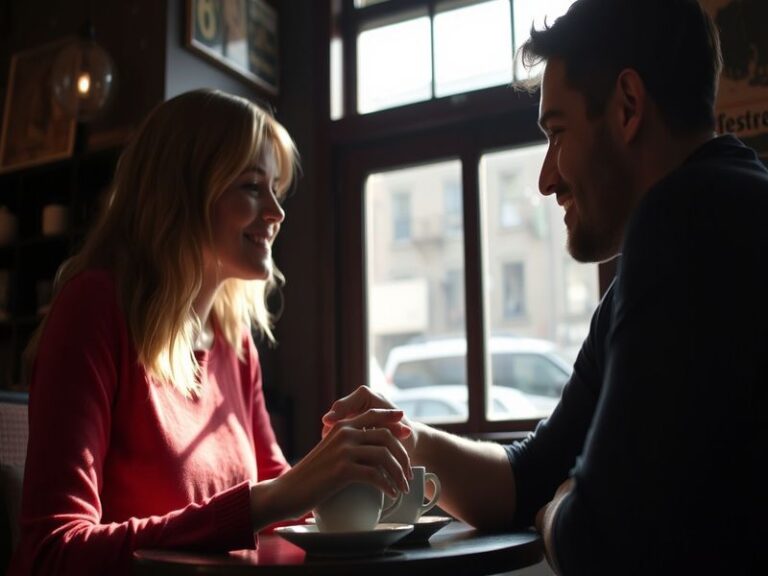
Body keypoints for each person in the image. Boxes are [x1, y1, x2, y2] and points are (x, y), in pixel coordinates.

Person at [324, 0, 768, 573]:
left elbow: (599, 541)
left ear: (628, 107)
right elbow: (530, 475)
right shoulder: (701, 220)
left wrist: (560, 511)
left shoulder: (685, 219)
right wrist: (405, 437)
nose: (545, 178)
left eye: (557, 132)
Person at [9, 89, 412, 576]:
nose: (276, 213)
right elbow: (53, 552)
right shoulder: (93, 310)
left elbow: (281, 499)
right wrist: (278, 495)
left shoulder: (233, 340)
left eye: (276, 191)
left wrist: (342, 472)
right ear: (182, 193)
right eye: (250, 187)